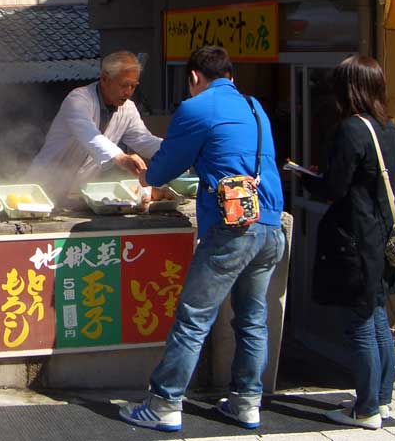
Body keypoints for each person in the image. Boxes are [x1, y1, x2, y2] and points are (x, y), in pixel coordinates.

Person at [119, 46, 285, 433]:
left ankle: (164, 403)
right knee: (252, 319)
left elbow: (164, 169)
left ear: (194, 77)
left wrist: (146, 175)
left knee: (194, 318)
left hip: (231, 230)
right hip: (270, 225)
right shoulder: (255, 106)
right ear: (232, 75)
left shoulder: (197, 108)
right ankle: (246, 402)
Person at [301, 55, 395, 430]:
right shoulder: (388, 129)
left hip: (354, 237)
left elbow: (335, 189)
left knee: (361, 323)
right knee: (376, 318)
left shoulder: (350, 130)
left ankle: (366, 408)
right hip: (381, 233)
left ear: (349, 88)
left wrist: (309, 179)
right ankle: (382, 399)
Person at [25, 51, 162, 200]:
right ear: (104, 79)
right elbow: (90, 136)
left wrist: (177, 151)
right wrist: (122, 158)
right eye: (124, 85)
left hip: (76, 196)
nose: (128, 92)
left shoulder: (128, 108)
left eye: (133, 86)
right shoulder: (78, 99)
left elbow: (144, 140)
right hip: (42, 188)